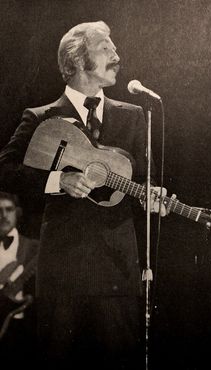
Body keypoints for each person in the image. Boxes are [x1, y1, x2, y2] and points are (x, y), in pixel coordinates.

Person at [0, 21, 167, 368]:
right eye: (105, 47)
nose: (116, 55)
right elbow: (5, 170)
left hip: (117, 271)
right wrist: (56, 181)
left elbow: (139, 186)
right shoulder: (42, 118)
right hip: (63, 274)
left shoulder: (134, 116)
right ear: (76, 60)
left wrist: (150, 196)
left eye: (114, 48)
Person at [0, 191, 39, 360]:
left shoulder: (34, 248)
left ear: (17, 213)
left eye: (9, 209)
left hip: (22, 329)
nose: (3, 215)